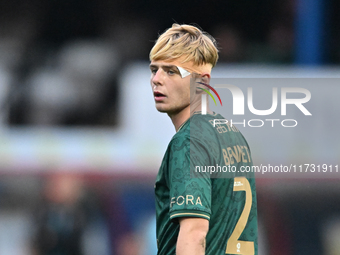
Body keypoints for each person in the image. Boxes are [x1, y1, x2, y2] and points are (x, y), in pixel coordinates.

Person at [149, 23, 258, 255]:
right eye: (154, 69)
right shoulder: (232, 134)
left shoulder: (189, 142)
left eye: (171, 71)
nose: (156, 79)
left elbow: (195, 232)